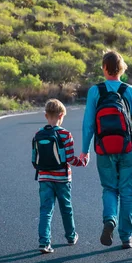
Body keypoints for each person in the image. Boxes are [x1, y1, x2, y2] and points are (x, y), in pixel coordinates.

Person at [80, 51, 132, 249]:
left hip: (103, 149)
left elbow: (88, 125)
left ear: (104, 68)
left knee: (109, 188)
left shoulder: (95, 91)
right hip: (128, 149)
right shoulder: (131, 91)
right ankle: (126, 237)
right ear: (122, 68)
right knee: (127, 193)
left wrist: (84, 150)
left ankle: (110, 219)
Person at [32, 99, 87, 254]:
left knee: (46, 210)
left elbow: (34, 159)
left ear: (45, 115)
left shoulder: (38, 134)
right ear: (61, 115)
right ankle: (70, 237)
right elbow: (70, 159)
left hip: (44, 178)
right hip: (62, 179)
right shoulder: (65, 134)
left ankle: (44, 242)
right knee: (66, 208)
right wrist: (82, 161)